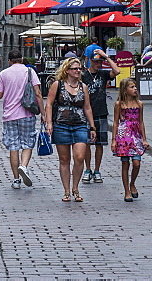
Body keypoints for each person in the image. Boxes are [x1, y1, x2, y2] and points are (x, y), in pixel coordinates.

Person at [45, 57, 96, 202]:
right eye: (75, 68)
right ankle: (67, 190)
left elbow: (87, 107)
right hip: (61, 125)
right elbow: (49, 104)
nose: (78, 71)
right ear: (67, 70)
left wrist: (92, 126)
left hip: (80, 124)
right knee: (64, 159)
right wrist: (49, 122)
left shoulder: (83, 87)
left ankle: (76, 187)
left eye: (79, 68)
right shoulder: (58, 84)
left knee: (79, 157)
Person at [0, 49, 44, 189]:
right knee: (28, 143)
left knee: (13, 146)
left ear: (9, 61)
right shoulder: (30, 72)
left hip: (9, 115)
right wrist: (44, 114)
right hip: (27, 113)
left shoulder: (4, 73)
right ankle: (23, 166)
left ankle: (16, 180)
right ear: (22, 59)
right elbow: (38, 94)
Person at [81, 48, 121, 184]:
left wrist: (107, 57)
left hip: (101, 112)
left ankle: (97, 170)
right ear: (91, 61)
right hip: (86, 113)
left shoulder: (103, 74)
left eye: (101, 61)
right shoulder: (83, 76)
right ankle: (87, 169)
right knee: (87, 143)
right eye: (97, 61)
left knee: (99, 144)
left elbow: (117, 71)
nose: (99, 64)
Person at [111, 77, 149, 202]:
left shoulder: (139, 104)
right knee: (125, 163)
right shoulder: (119, 105)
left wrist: (144, 139)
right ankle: (126, 190)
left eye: (135, 87)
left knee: (137, 163)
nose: (135, 89)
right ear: (125, 90)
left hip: (136, 135)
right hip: (124, 135)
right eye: (132, 87)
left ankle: (132, 183)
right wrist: (114, 140)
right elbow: (115, 123)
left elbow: (141, 121)